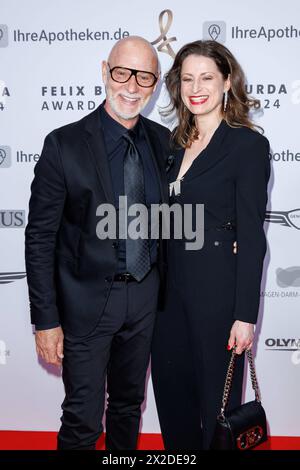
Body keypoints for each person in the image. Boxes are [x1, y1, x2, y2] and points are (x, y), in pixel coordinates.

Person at [25, 36, 170, 450]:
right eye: (122, 72)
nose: (131, 86)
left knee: (129, 406)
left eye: (144, 77)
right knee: (82, 418)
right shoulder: (64, 144)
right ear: (105, 70)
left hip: (145, 299)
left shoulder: (163, 144)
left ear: (155, 83)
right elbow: (39, 238)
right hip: (86, 303)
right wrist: (46, 320)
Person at [151, 40, 271, 450]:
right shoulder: (168, 145)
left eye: (206, 77)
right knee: (173, 406)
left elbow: (252, 235)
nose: (195, 87)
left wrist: (245, 315)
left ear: (227, 81)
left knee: (216, 416)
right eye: (187, 78)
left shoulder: (247, 146)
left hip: (218, 301)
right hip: (165, 302)